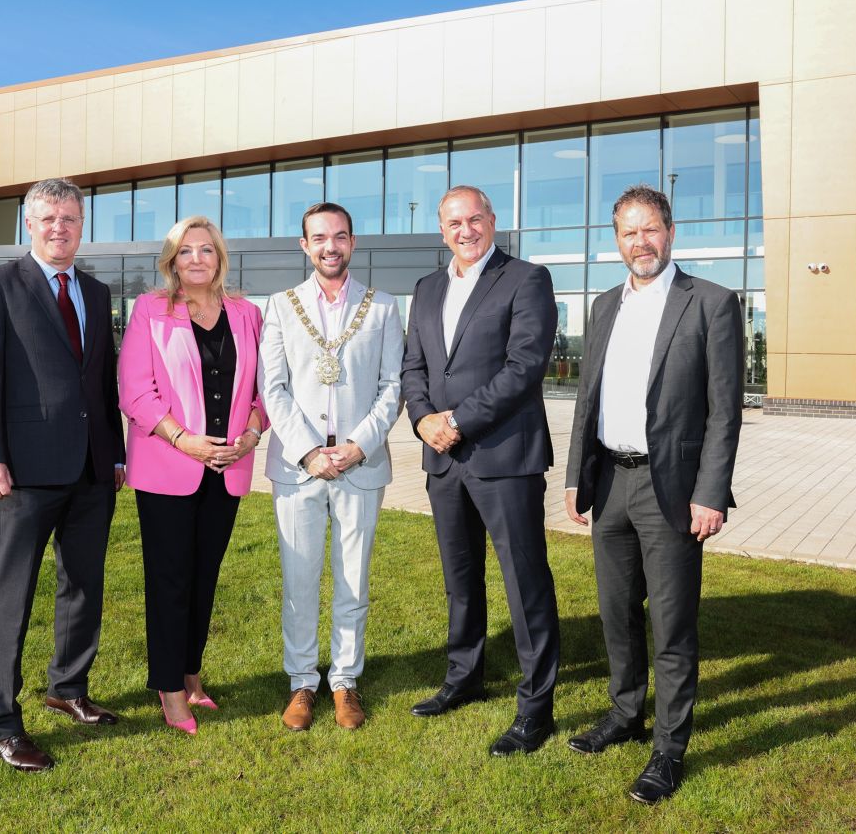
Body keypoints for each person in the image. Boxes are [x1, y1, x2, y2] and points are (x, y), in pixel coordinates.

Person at [564, 184, 743, 804]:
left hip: (672, 489)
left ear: (670, 231)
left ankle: (668, 749)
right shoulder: (604, 305)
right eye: (627, 232)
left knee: (670, 625)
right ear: (616, 241)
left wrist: (710, 492)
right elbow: (589, 396)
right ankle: (624, 713)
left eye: (650, 229)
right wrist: (574, 476)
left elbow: (725, 411)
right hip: (610, 481)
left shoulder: (712, 304)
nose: (640, 242)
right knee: (616, 614)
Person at [0, 178, 126, 773]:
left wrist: (115, 453)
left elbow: (100, 379)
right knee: (13, 594)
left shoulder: (97, 290)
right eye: (50, 218)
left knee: (83, 584)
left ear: (82, 226)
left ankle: (68, 688)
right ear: (29, 224)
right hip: (24, 471)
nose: (61, 228)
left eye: (71, 219)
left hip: (90, 467)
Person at [401, 185, 561, 757]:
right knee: (460, 580)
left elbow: (524, 367)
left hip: (504, 457)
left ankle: (535, 706)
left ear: (492, 221)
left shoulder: (526, 279)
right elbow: (413, 366)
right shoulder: (425, 289)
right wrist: (423, 421)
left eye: (474, 219)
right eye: (453, 222)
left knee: (525, 582)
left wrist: (458, 422)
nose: (465, 231)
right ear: (441, 230)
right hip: (442, 460)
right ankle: (464, 677)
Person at [118, 216, 266, 736]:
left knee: (204, 579)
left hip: (227, 469)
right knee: (170, 580)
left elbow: (264, 387)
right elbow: (135, 391)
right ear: (172, 262)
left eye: (207, 250)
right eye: (186, 252)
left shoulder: (247, 314)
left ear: (220, 257)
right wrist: (185, 440)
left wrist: (250, 435)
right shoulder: (150, 311)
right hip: (169, 467)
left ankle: (191, 672)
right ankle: (169, 687)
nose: (197, 259)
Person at [259, 203, 404, 732]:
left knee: (353, 581)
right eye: (319, 237)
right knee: (300, 581)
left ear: (353, 242)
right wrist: (308, 451)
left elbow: (393, 386)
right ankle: (302, 682)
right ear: (304, 245)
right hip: (298, 469)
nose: (330, 246)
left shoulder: (384, 307)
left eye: (340, 236)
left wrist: (359, 445)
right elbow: (271, 388)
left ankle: (345, 681)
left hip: (361, 467)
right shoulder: (280, 305)